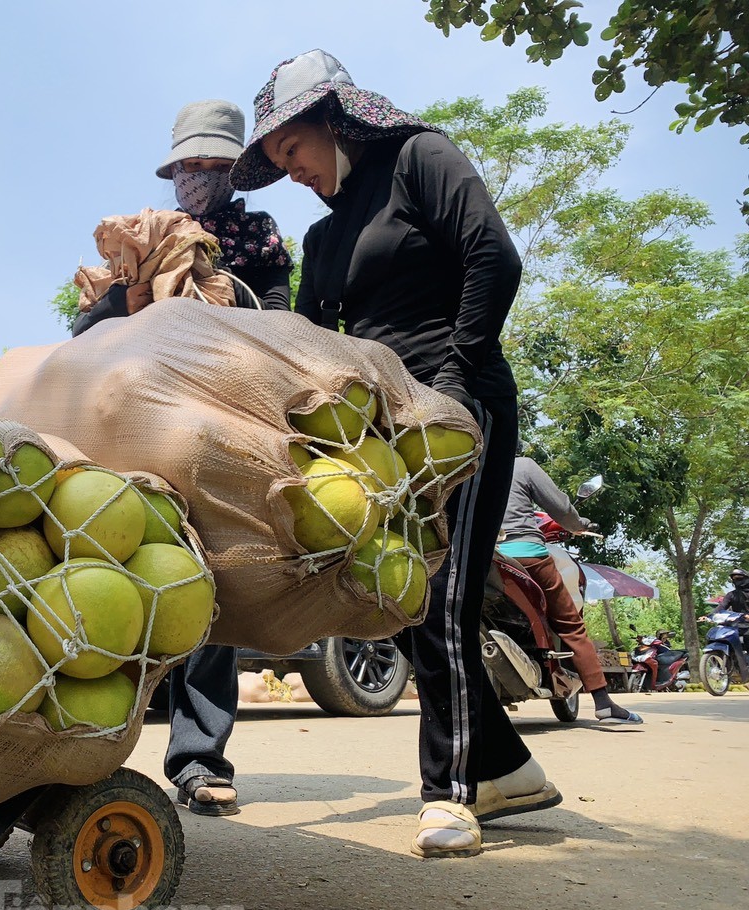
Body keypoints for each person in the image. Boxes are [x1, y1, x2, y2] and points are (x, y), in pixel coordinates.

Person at [231, 49, 558, 857]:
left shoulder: (422, 159)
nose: (294, 170)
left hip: (460, 406)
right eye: (277, 163)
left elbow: (494, 256)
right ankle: (505, 767)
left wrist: (451, 380)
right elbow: (310, 340)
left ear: (336, 121)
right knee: (399, 597)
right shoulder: (324, 230)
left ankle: (449, 796)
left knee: (438, 592)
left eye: (294, 151)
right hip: (378, 435)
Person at [73, 100, 293, 815]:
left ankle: (198, 760)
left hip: (219, 420)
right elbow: (82, 333)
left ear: (234, 171)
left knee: (210, 587)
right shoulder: (140, 236)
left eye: (211, 166)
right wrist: (125, 296)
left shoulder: (255, 235)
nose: (196, 178)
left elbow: (287, 325)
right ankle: (72, 752)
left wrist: (217, 292)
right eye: (186, 167)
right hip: (138, 423)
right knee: (107, 581)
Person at [498, 457, 642, 724]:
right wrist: (578, 525)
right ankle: (603, 703)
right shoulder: (523, 465)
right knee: (570, 624)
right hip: (528, 556)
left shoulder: (465, 466)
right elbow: (562, 510)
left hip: (482, 560)